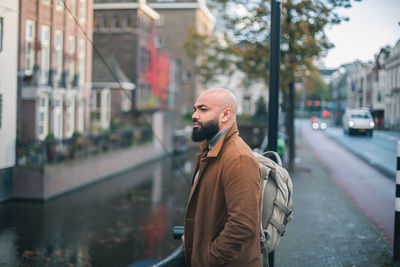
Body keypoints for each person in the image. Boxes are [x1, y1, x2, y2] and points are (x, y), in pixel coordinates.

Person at [183, 88, 262, 267]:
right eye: (195, 109)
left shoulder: (238, 158)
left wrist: (208, 258)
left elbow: (243, 225)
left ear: (225, 115)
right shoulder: (211, 150)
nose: (195, 115)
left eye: (203, 110)